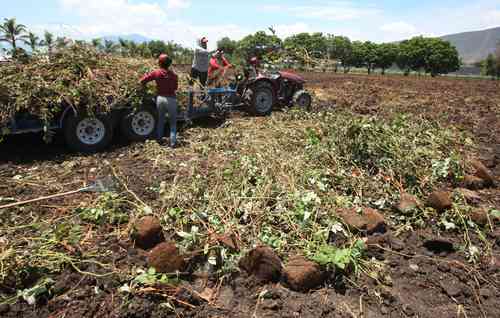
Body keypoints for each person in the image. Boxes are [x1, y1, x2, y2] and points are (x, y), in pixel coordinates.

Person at [139, 54, 179, 148]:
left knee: (161, 120)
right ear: (169, 64)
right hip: (171, 99)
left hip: (160, 99)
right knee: (173, 123)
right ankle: (173, 143)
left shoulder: (156, 72)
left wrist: (145, 89)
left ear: (160, 63)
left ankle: (159, 139)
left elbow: (142, 81)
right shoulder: (174, 75)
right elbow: (175, 88)